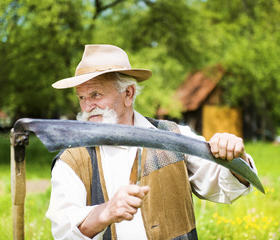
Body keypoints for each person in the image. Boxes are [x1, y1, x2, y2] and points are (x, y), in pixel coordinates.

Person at [46, 44, 257, 240]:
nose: (88, 106)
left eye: (96, 94)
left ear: (128, 94)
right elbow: (65, 231)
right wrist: (105, 212)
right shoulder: (72, 159)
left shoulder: (172, 136)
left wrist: (234, 156)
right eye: (81, 97)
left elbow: (226, 188)